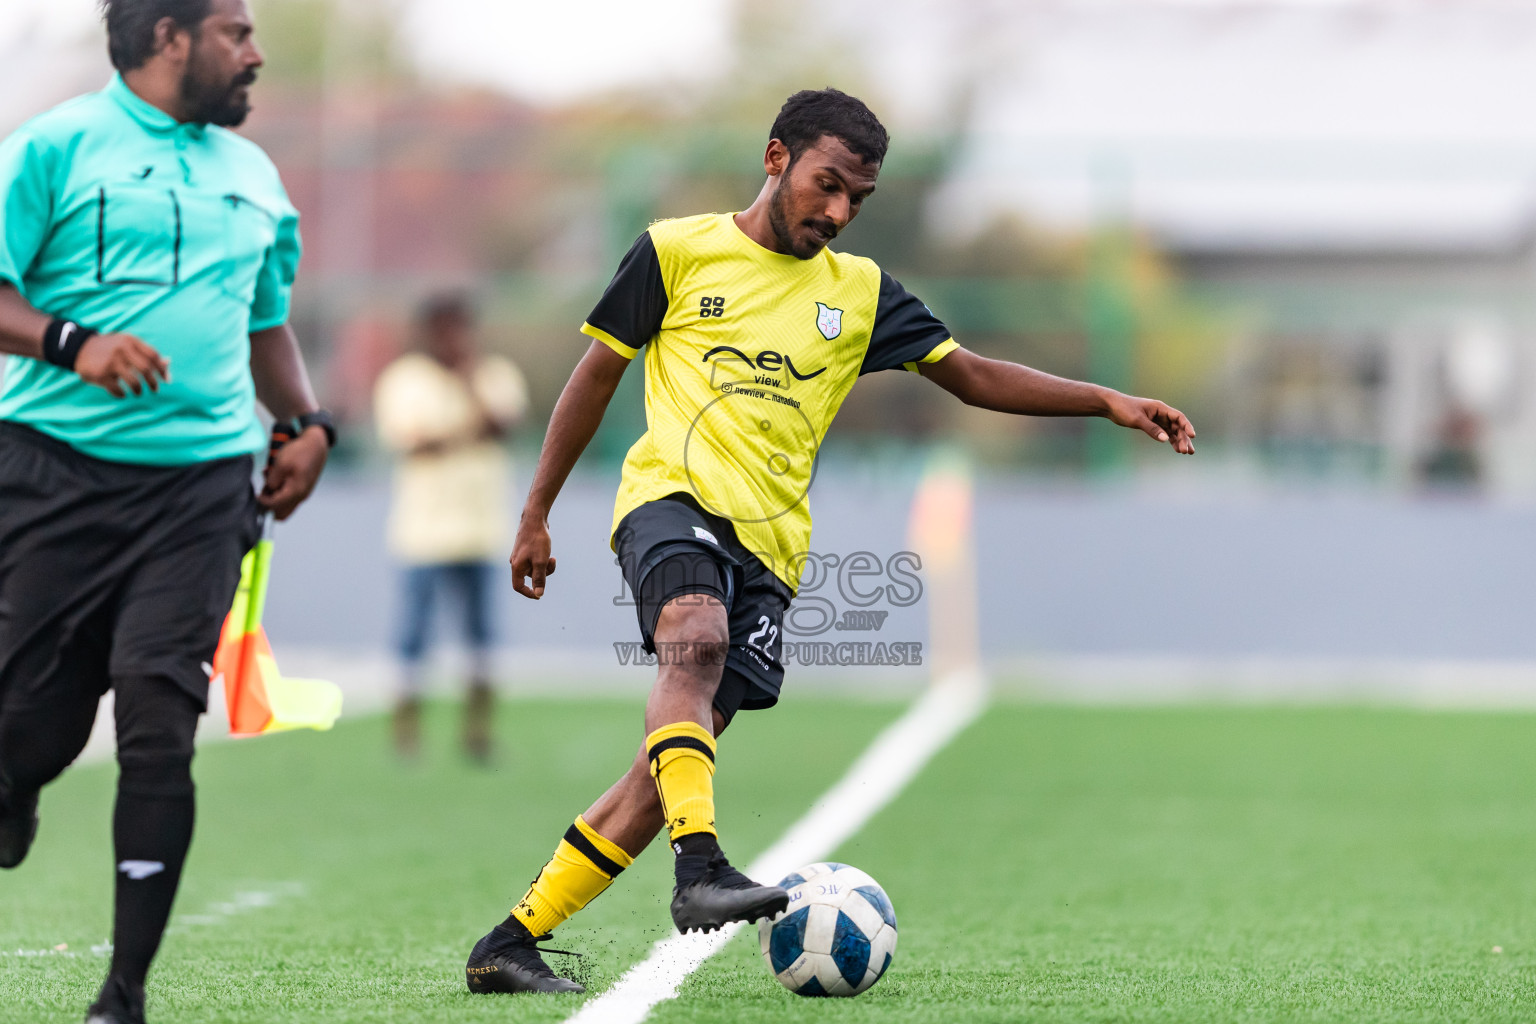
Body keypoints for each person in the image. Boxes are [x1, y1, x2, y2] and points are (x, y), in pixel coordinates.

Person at [464, 88, 1196, 995]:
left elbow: (970, 375)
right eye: (827, 183)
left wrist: (1105, 399)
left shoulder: (859, 292)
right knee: (694, 640)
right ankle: (701, 875)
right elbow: (596, 374)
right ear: (776, 159)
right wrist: (535, 511)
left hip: (773, 550)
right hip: (671, 500)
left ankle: (510, 942)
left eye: (859, 197)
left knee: (664, 774)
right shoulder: (675, 251)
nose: (839, 211)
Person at [0, 2, 334, 1022]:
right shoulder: (53, 147)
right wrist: (72, 343)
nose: (256, 51)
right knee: (23, 729)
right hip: (52, 476)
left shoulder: (255, 178)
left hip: (198, 488)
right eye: (236, 31)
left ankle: (122, 996)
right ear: (168, 38)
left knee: (159, 715)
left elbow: (264, 323)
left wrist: (312, 422)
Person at [373, 293, 528, 761]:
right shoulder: (404, 380)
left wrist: (467, 385)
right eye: (445, 329)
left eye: (461, 328)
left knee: (482, 640)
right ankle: (406, 735)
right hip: (423, 534)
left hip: (481, 531)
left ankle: (477, 735)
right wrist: (467, 431)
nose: (455, 339)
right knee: (412, 638)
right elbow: (414, 442)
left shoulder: (493, 374)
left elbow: (503, 425)